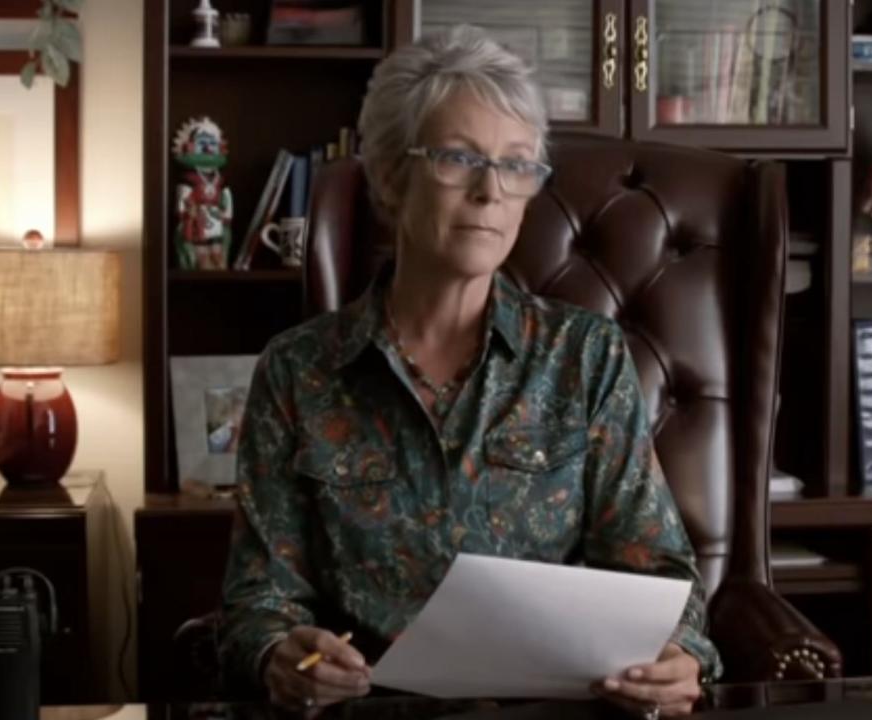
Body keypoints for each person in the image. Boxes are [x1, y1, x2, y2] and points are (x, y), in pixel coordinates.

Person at [220, 24, 721, 718]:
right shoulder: (299, 370)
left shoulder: (587, 358)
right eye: (459, 159)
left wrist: (681, 654)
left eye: (517, 165)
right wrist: (280, 653)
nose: (492, 192)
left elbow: (659, 571)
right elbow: (259, 596)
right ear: (392, 177)